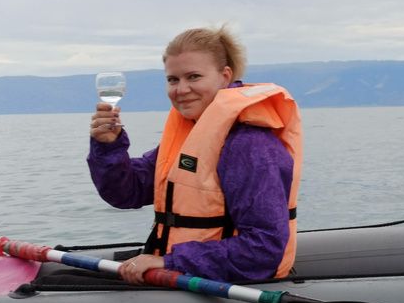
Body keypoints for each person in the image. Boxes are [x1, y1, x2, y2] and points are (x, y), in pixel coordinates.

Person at [88, 26, 302, 284]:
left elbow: (264, 248)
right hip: (181, 275)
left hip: (222, 284)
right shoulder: (192, 133)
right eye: (173, 80)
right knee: (65, 277)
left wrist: (170, 261)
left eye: (194, 77)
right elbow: (127, 192)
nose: (181, 89)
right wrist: (109, 147)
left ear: (225, 76)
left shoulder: (250, 146)